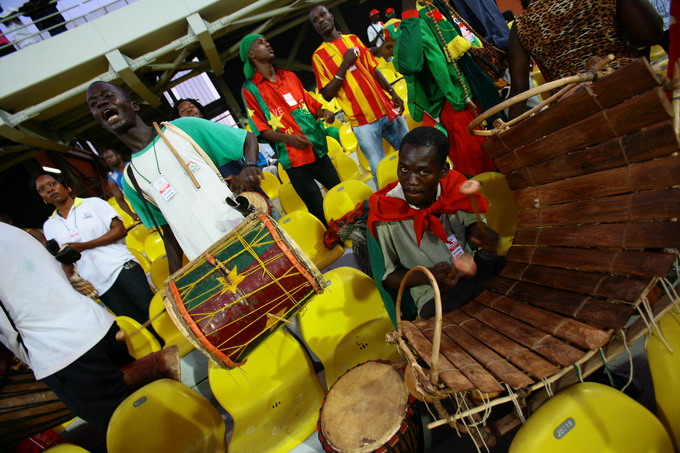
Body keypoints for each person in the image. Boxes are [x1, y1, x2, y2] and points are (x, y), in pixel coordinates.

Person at [86, 81, 262, 272]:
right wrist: (173, 278)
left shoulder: (183, 128)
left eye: (108, 96)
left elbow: (247, 139)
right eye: (94, 104)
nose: (101, 104)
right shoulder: (130, 180)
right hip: (210, 263)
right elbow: (168, 230)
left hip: (246, 235)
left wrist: (250, 165)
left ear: (134, 105)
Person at [0, 222, 133, 431]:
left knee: (126, 428)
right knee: (141, 403)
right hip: (99, 328)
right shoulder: (10, 230)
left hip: (66, 351)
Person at [367, 127, 503, 321]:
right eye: (404, 169)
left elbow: (472, 225)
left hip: (473, 273)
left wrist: (480, 235)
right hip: (434, 298)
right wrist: (429, 277)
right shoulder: (385, 214)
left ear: (443, 171)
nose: (411, 181)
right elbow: (389, 278)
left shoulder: (455, 188)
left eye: (424, 171)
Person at [240, 34, 341, 226]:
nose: (267, 43)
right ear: (251, 53)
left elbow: (310, 103)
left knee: (339, 193)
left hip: (317, 149)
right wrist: (289, 139)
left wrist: (323, 112)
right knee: (317, 208)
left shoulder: (290, 75)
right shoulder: (250, 89)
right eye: (260, 43)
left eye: (266, 40)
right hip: (293, 161)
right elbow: (259, 128)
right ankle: (336, 243)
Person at [393, 0, 501, 176]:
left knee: (501, 162)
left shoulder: (439, 7)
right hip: (457, 109)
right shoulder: (416, 18)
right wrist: (408, 9)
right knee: (481, 172)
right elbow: (409, 63)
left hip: (480, 96)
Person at [34, 172, 155, 326]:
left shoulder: (93, 204)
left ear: (65, 186)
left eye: (52, 184)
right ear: (43, 198)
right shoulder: (49, 225)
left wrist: (83, 246)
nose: (49, 190)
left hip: (120, 266)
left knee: (151, 309)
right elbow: (63, 258)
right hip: (97, 282)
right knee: (137, 323)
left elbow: (120, 231)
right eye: (42, 189)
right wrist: (73, 279)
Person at [507, 0, 663, 120]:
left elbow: (519, 89)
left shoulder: (521, 24)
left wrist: (509, 135)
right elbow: (649, 35)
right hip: (626, 83)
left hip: (571, 105)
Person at [310, 5, 408, 181]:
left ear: (331, 16)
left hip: (385, 108)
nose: (321, 21)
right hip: (362, 122)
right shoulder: (318, 56)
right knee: (380, 170)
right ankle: (392, 205)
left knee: (412, 154)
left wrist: (392, 92)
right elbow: (326, 95)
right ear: (315, 28)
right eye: (315, 21)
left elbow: (374, 69)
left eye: (323, 15)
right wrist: (344, 64)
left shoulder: (353, 39)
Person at [102, 148, 140, 222]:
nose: (109, 160)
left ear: (118, 156)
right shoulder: (113, 179)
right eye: (106, 159)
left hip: (154, 199)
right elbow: (120, 200)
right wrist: (132, 214)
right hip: (141, 208)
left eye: (110, 156)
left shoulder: (134, 165)